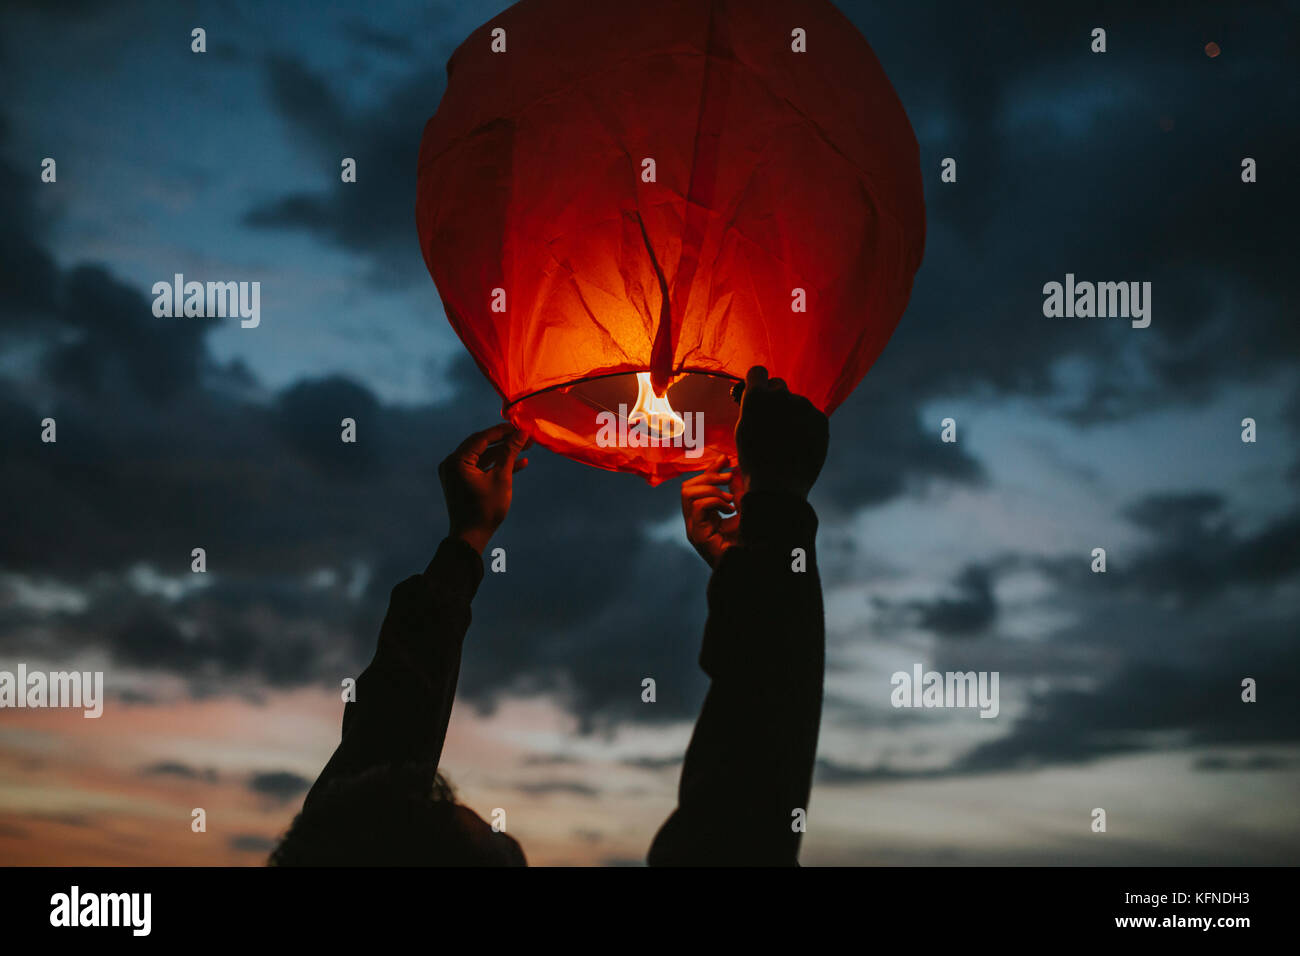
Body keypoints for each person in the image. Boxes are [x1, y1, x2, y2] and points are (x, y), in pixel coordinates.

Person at [270, 366, 828, 866]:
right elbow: (739, 826)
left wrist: (464, 543)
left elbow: (378, 770)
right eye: (495, 842)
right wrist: (774, 519)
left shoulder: (350, 846)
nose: (507, 838)